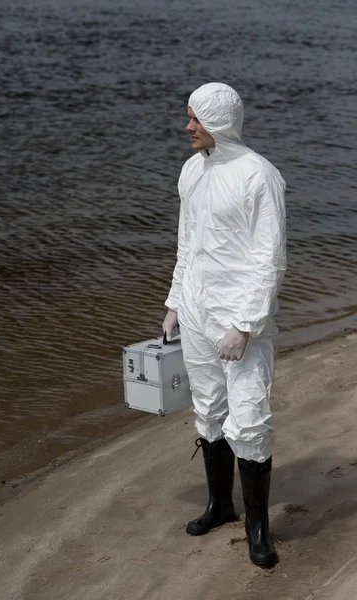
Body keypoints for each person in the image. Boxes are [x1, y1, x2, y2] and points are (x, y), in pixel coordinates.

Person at [162, 82, 287, 569]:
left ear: (218, 119)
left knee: (250, 418)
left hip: (241, 320)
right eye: (189, 117)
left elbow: (269, 257)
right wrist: (175, 303)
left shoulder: (259, 175)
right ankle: (220, 505)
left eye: (195, 118)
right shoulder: (192, 170)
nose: (187, 126)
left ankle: (259, 529)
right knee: (209, 408)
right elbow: (186, 243)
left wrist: (246, 323)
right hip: (195, 311)